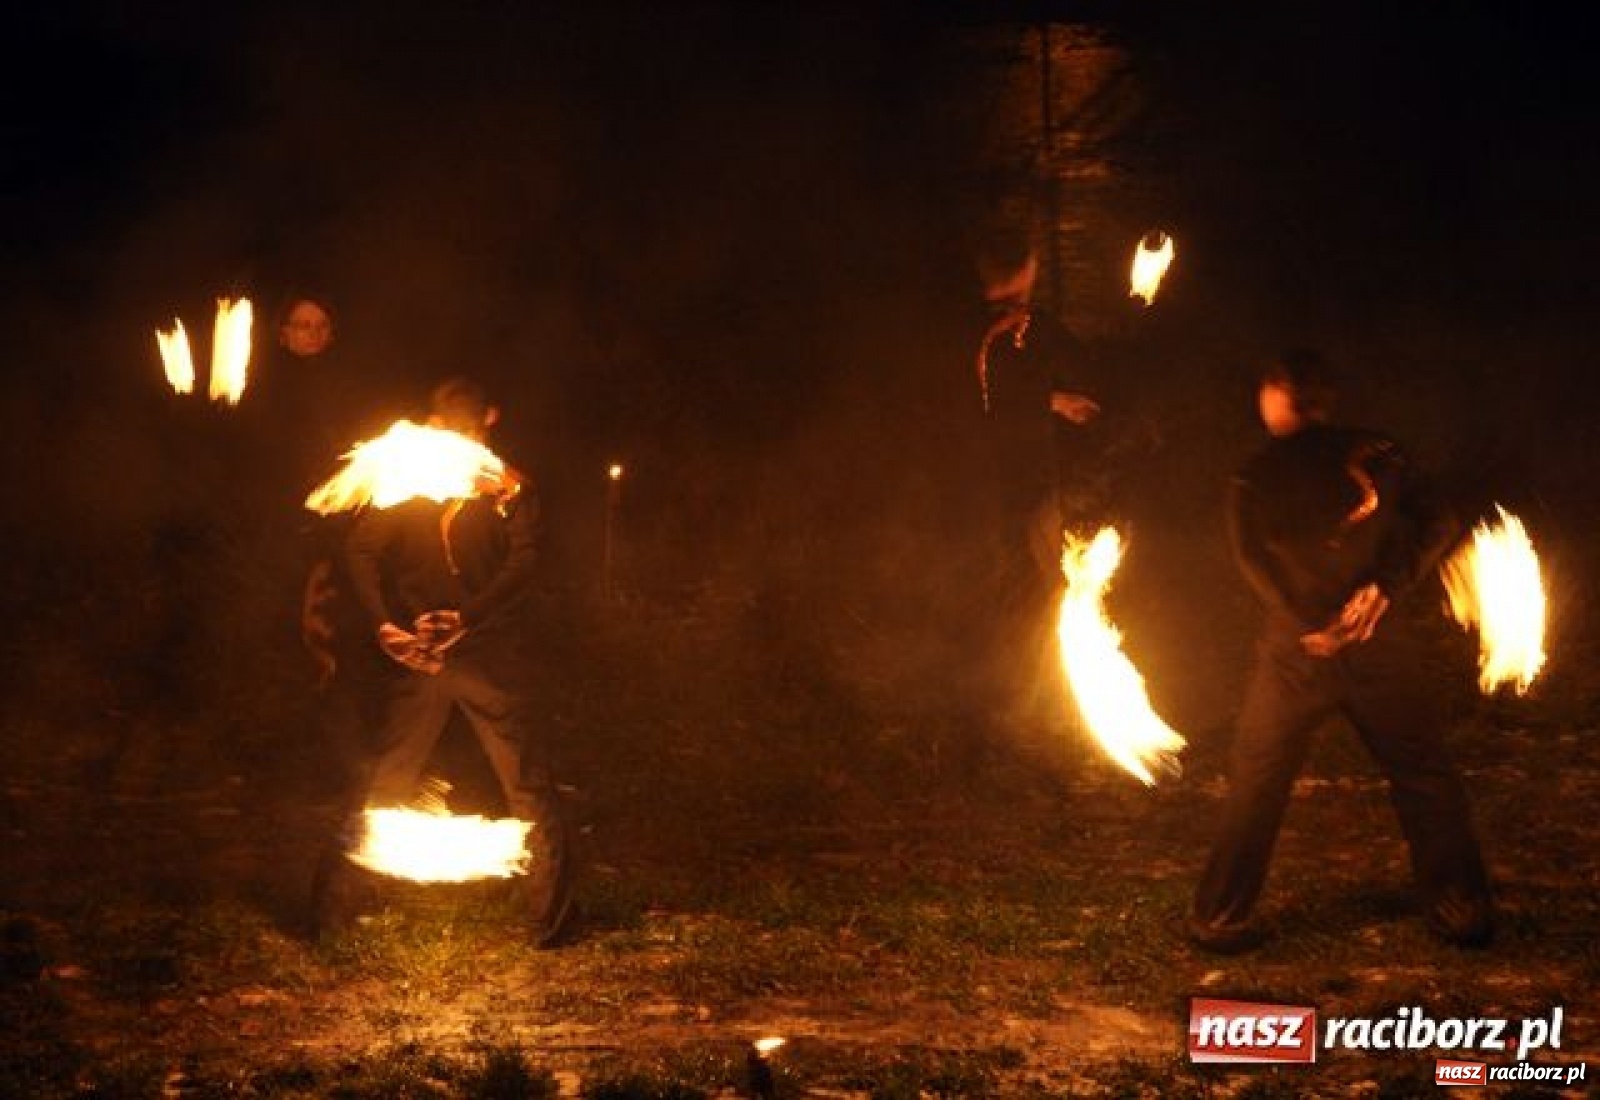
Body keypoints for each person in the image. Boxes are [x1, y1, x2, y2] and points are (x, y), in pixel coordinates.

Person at [1190, 350, 1494, 953]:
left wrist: (1309, 623)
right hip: (1375, 639)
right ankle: (1461, 909)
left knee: (1257, 778)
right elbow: (1439, 518)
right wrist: (1385, 587)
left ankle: (1220, 918)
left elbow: (1251, 558)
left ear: (1281, 398)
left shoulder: (1257, 472)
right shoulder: (1382, 453)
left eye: (1267, 390)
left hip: (1298, 653)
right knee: (1424, 774)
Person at [317, 377, 572, 946]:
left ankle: (547, 924)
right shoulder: (410, 480)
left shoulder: (506, 486)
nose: (453, 437)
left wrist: (468, 618)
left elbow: (528, 560)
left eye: (462, 426)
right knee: (387, 778)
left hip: (485, 656)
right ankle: (333, 916)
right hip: (425, 655)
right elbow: (360, 548)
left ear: (489, 420)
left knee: (520, 783)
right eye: (446, 426)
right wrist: (385, 622)